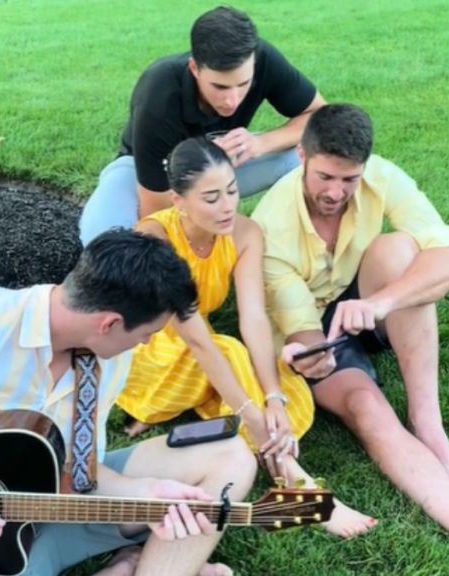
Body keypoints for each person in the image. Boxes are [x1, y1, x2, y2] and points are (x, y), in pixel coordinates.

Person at [251, 103, 449, 572]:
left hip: (367, 302)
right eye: (325, 177)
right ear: (301, 156)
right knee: (366, 408)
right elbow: (300, 324)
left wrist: (381, 304)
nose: (337, 192)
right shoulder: (270, 228)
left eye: (350, 179)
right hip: (314, 328)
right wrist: (312, 358)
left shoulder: (380, 176)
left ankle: (429, 426)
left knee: (402, 250)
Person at [0, 230, 255, 576]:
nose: (146, 343)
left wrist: (142, 492)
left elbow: (78, 472)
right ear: (110, 323)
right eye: (146, 333)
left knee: (230, 455)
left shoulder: (106, 360)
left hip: (39, 514)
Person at [115, 137, 376, 539]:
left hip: (197, 355)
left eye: (233, 191)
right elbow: (196, 338)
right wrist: (251, 414)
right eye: (211, 197)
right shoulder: (156, 238)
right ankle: (296, 479)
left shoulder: (245, 232)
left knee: (288, 390)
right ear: (179, 201)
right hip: (149, 358)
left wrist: (270, 396)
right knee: (228, 352)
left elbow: (253, 317)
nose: (227, 206)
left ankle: (253, 430)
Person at [78, 5, 325, 246]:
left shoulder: (264, 59)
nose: (233, 100)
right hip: (143, 172)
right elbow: (156, 211)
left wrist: (262, 143)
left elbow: (320, 115)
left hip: (223, 164)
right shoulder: (159, 92)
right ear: (194, 68)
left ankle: (299, 246)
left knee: (303, 158)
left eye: (243, 84)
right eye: (220, 87)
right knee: (104, 240)